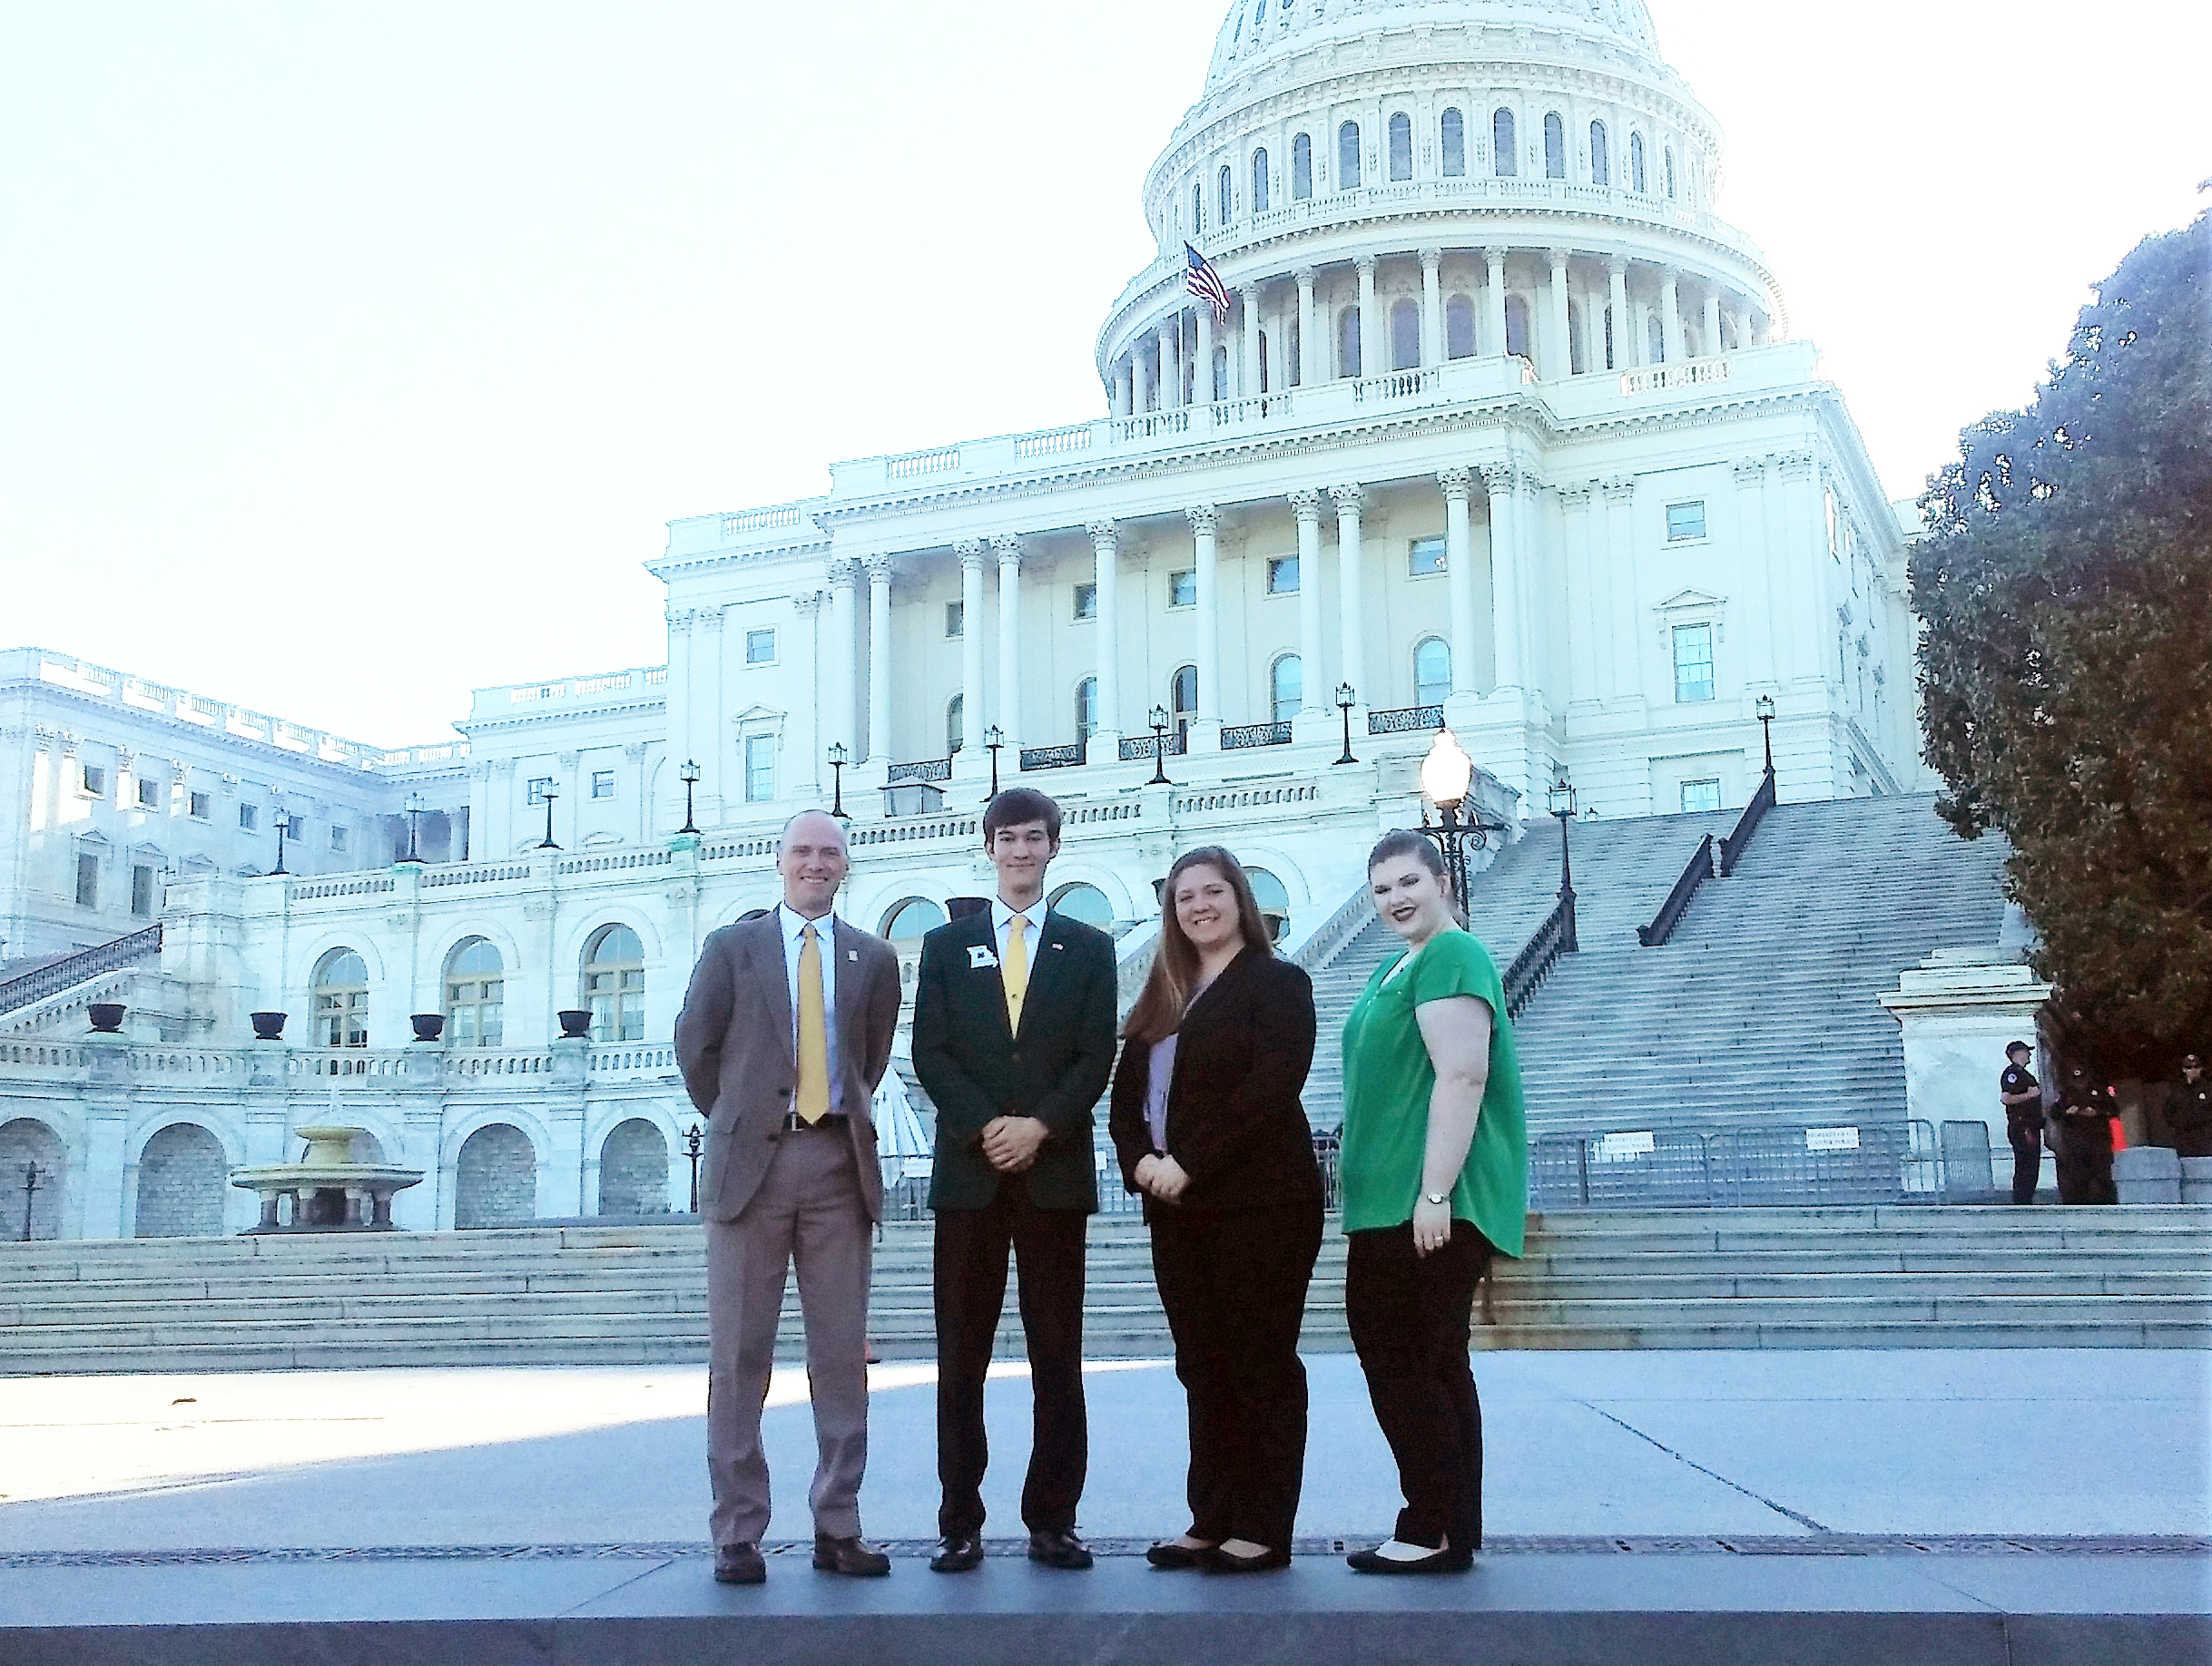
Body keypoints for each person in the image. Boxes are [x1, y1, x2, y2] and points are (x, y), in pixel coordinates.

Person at [673, 809, 903, 1586]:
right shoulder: (732, 949)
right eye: (802, 851)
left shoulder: (870, 957)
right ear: (779, 862)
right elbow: (696, 1047)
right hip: (752, 1172)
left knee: (840, 1356)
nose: (815, 863)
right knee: (739, 1356)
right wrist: (739, 1115)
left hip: (838, 1164)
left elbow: (868, 1057)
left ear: (846, 866)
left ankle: (838, 1523)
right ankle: (738, 1530)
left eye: (829, 853)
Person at [912, 788, 1117, 1573]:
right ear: (988, 847)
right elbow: (932, 1052)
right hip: (969, 1179)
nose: (1022, 851)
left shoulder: (1087, 947)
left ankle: (1053, 1517)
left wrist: (1040, 1126)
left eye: (1034, 838)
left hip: (1052, 1176)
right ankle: (958, 1519)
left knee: (1056, 1353)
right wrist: (983, 1127)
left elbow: (1093, 1056)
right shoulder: (943, 945)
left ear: (1053, 847)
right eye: (1008, 838)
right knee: (958, 1355)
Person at [1107, 847, 1322, 1575]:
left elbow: (1269, 1088)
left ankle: (1262, 1524)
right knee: (1200, 1363)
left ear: (1241, 900)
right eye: (1183, 897)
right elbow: (1125, 1100)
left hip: (1260, 1203)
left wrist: (1187, 1164)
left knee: (1257, 1360)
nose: (1198, 906)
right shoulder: (1161, 992)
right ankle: (1212, 1516)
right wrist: (1139, 1162)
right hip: (1175, 1209)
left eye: (1212, 892)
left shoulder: (1277, 983)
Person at [1334, 829, 1527, 1574]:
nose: (1395, 900)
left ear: (1442, 880)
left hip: (1423, 1199)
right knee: (1433, 1361)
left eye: (1409, 882)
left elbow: (1461, 1077)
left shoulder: (1452, 954)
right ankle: (1450, 1528)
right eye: (1381, 889)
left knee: (1401, 1358)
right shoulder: (1397, 965)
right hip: (1388, 1199)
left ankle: (1427, 1525)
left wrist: (1435, 1191)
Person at [2050, 1061, 2119, 1205]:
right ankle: (2079, 1205)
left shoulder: (2099, 1091)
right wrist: (2067, 1112)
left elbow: (2113, 1110)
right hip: (2076, 1142)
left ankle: (2107, 1204)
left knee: (2102, 1176)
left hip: (2098, 1140)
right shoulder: (2066, 1093)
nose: (2080, 1083)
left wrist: (2096, 1113)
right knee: (2078, 1177)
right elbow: (2054, 1113)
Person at [1999, 1042, 2045, 1204]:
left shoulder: (2023, 1074)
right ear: (2017, 1053)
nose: (2029, 1055)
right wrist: (2030, 1095)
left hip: (2030, 1126)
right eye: (2026, 1052)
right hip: (2023, 1126)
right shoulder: (2013, 1074)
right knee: (2026, 1166)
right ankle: (2022, 1202)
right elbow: (2006, 1098)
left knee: (2031, 1166)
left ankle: (2026, 1200)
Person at [2168, 1054, 2212, 1158]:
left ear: (2201, 1069)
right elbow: (2168, 1111)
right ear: (2184, 1070)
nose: (2193, 1070)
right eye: (2189, 1067)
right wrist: (2177, 1125)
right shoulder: (2177, 1089)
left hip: (2205, 1139)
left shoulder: (2209, 1088)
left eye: (2196, 1067)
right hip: (2184, 1140)